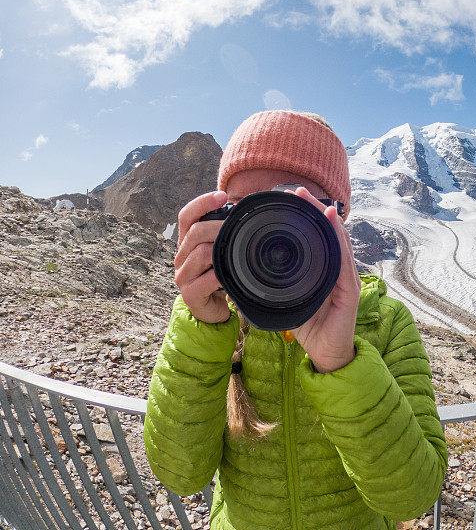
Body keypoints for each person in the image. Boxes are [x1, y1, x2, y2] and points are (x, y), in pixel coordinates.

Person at [143, 110, 448, 530]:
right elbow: (181, 476)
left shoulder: (385, 320)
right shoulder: (215, 319)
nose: (273, 234)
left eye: (292, 209)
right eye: (244, 211)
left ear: (337, 218)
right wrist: (202, 330)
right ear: (219, 222)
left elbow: (412, 496)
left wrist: (341, 362)